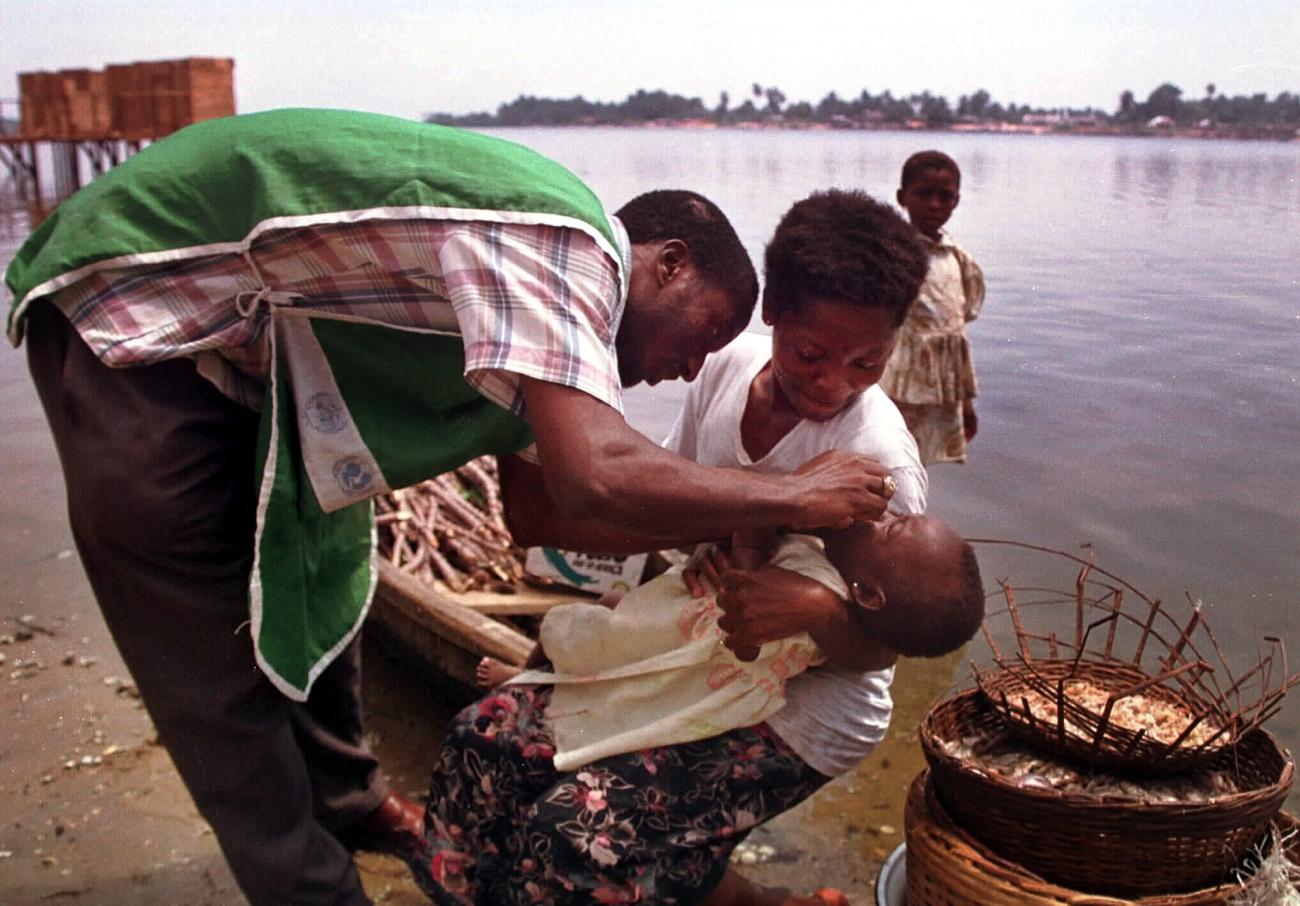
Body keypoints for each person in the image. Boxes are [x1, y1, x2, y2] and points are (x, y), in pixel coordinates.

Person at [5, 109, 898, 906]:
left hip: (259, 355)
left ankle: (351, 800)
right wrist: (791, 493)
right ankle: (310, 886)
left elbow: (549, 520)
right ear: (666, 263)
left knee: (324, 558)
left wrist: (726, 533)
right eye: (703, 333)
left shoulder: (537, 334)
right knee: (202, 652)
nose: (692, 370)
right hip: (135, 311)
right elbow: (597, 478)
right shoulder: (570, 247)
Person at [477, 187, 933, 689]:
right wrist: (716, 536)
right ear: (774, 309)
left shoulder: (880, 459)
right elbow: (657, 504)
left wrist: (818, 609)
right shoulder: (723, 368)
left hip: (805, 694)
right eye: (809, 354)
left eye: (868, 363)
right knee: (594, 625)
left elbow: (884, 649)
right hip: (704, 641)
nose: (834, 381)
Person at [408, 516, 986, 905]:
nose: (879, 514)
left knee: (571, 832)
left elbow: (873, 645)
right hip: (674, 680)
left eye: (893, 526)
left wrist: (793, 593)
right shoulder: (831, 538)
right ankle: (463, 886)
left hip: (780, 724)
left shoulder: (827, 581)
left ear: (865, 594)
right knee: (478, 734)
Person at [879, 150, 987, 465]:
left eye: (945, 196)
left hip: (943, 387)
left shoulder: (958, 259)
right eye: (924, 194)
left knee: (922, 459)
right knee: (886, 453)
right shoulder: (892, 254)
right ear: (902, 197)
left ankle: (910, 511)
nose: (935, 204)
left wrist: (965, 402)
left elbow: (957, 334)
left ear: (956, 201)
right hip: (898, 381)